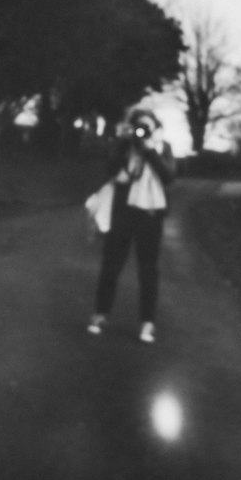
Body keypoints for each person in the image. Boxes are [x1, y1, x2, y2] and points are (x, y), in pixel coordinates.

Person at [88, 107, 176, 343]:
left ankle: (147, 323)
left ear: (156, 128)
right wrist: (125, 142)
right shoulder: (124, 145)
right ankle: (100, 314)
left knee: (148, 271)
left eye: (147, 127)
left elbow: (169, 176)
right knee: (111, 265)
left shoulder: (163, 147)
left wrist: (149, 151)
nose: (143, 131)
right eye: (139, 126)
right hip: (123, 212)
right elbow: (109, 168)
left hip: (150, 215)